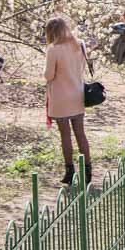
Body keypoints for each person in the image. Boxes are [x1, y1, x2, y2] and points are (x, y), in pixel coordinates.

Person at [44, 17, 93, 185]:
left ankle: (69, 170)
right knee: (81, 134)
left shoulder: (53, 50)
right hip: (77, 94)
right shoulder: (79, 44)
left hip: (60, 97)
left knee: (65, 135)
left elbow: (49, 75)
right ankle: (87, 169)